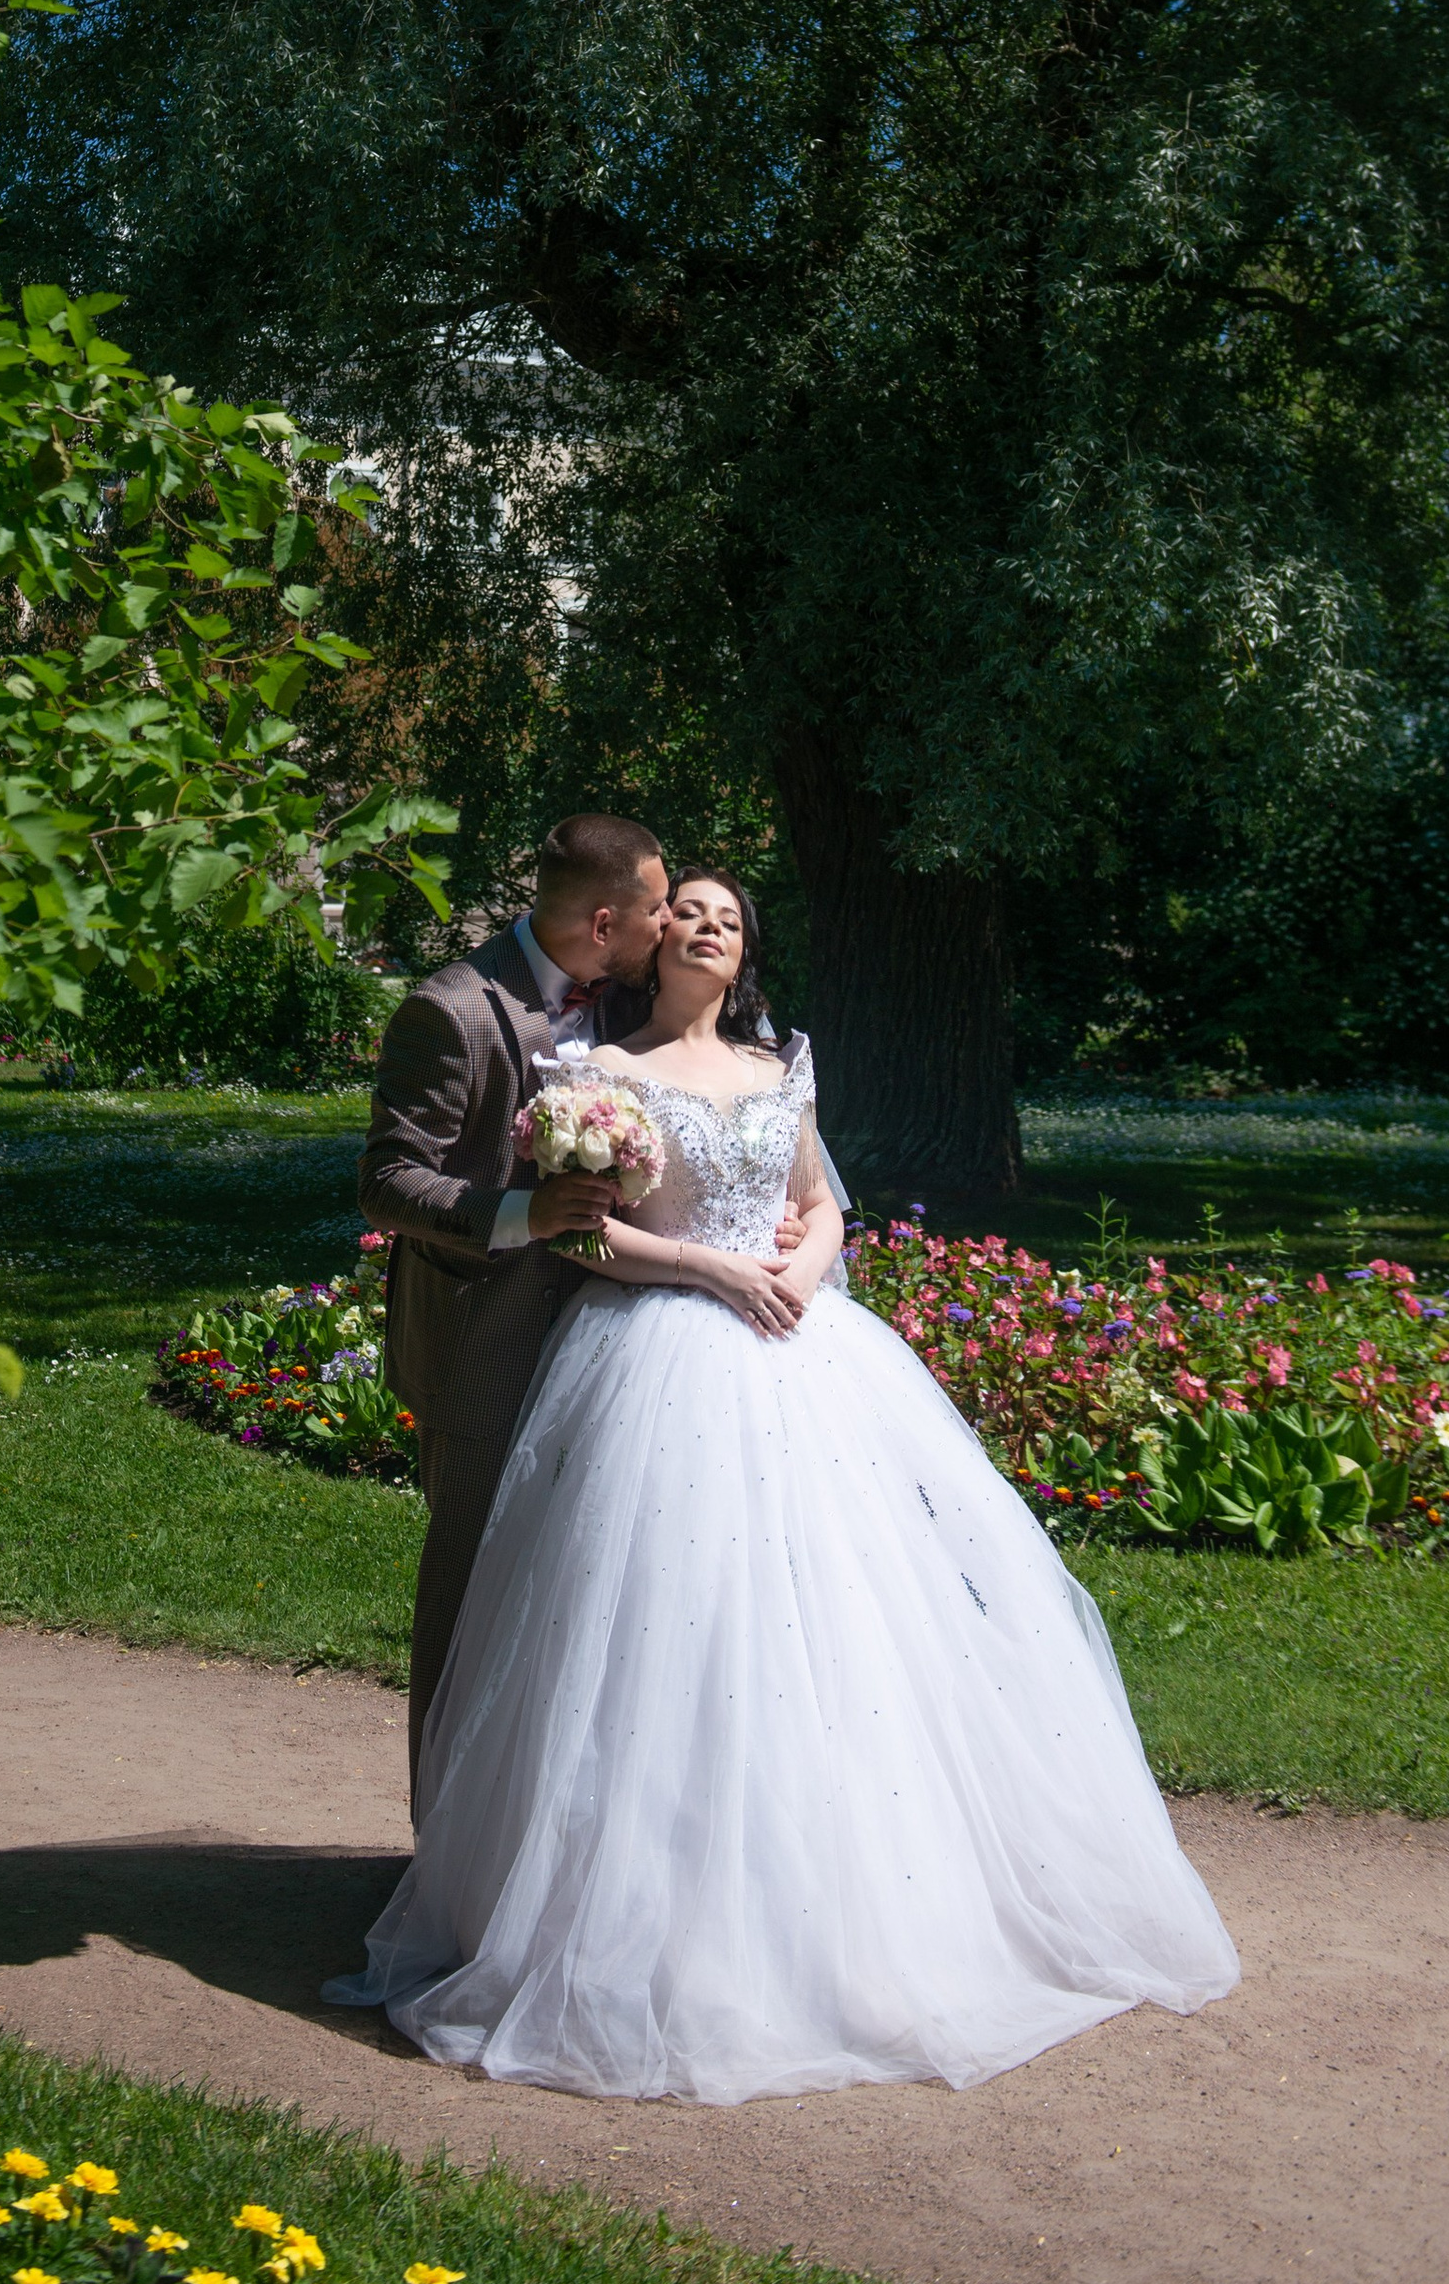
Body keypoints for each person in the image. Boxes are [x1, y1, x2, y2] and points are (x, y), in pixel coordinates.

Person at [348, 865, 1240, 2100]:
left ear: (743, 953)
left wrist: (802, 1275)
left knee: (839, 1630)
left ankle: (849, 1901)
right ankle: (632, 1906)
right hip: (656, 1357)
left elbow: (821, 1204)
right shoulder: (601, 1077)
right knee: (669, 1634)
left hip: (804, 1353)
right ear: (652, 945)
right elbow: (587, 1233)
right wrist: (714, 1274)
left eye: (728, 918)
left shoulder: (783, 1067)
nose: (706, 928)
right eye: (688, 913)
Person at [354, 813, 672, 1791]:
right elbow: (388, 1184)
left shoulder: (627, 1004)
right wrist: (520, 1215)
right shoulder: (449, 1011)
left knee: (576, 1599)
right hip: (480, 1343)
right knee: (470, 1588)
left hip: (603, 1344)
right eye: (657, 908)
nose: (668, 926)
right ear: (606, 920)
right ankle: (437, 1849)